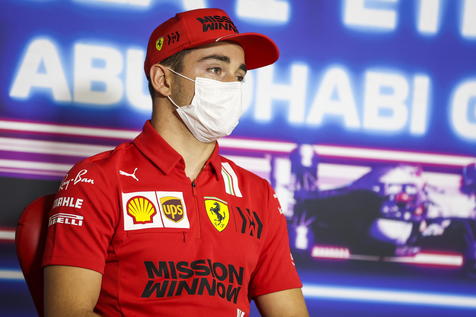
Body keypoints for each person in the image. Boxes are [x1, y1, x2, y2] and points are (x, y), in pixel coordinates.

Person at [42, 7, 309, 317]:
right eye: (214, 70)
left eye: (239, 75)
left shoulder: (258, 194)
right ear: (163, 80)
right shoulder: (97, 179)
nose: (232, 86)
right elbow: (67, 312)